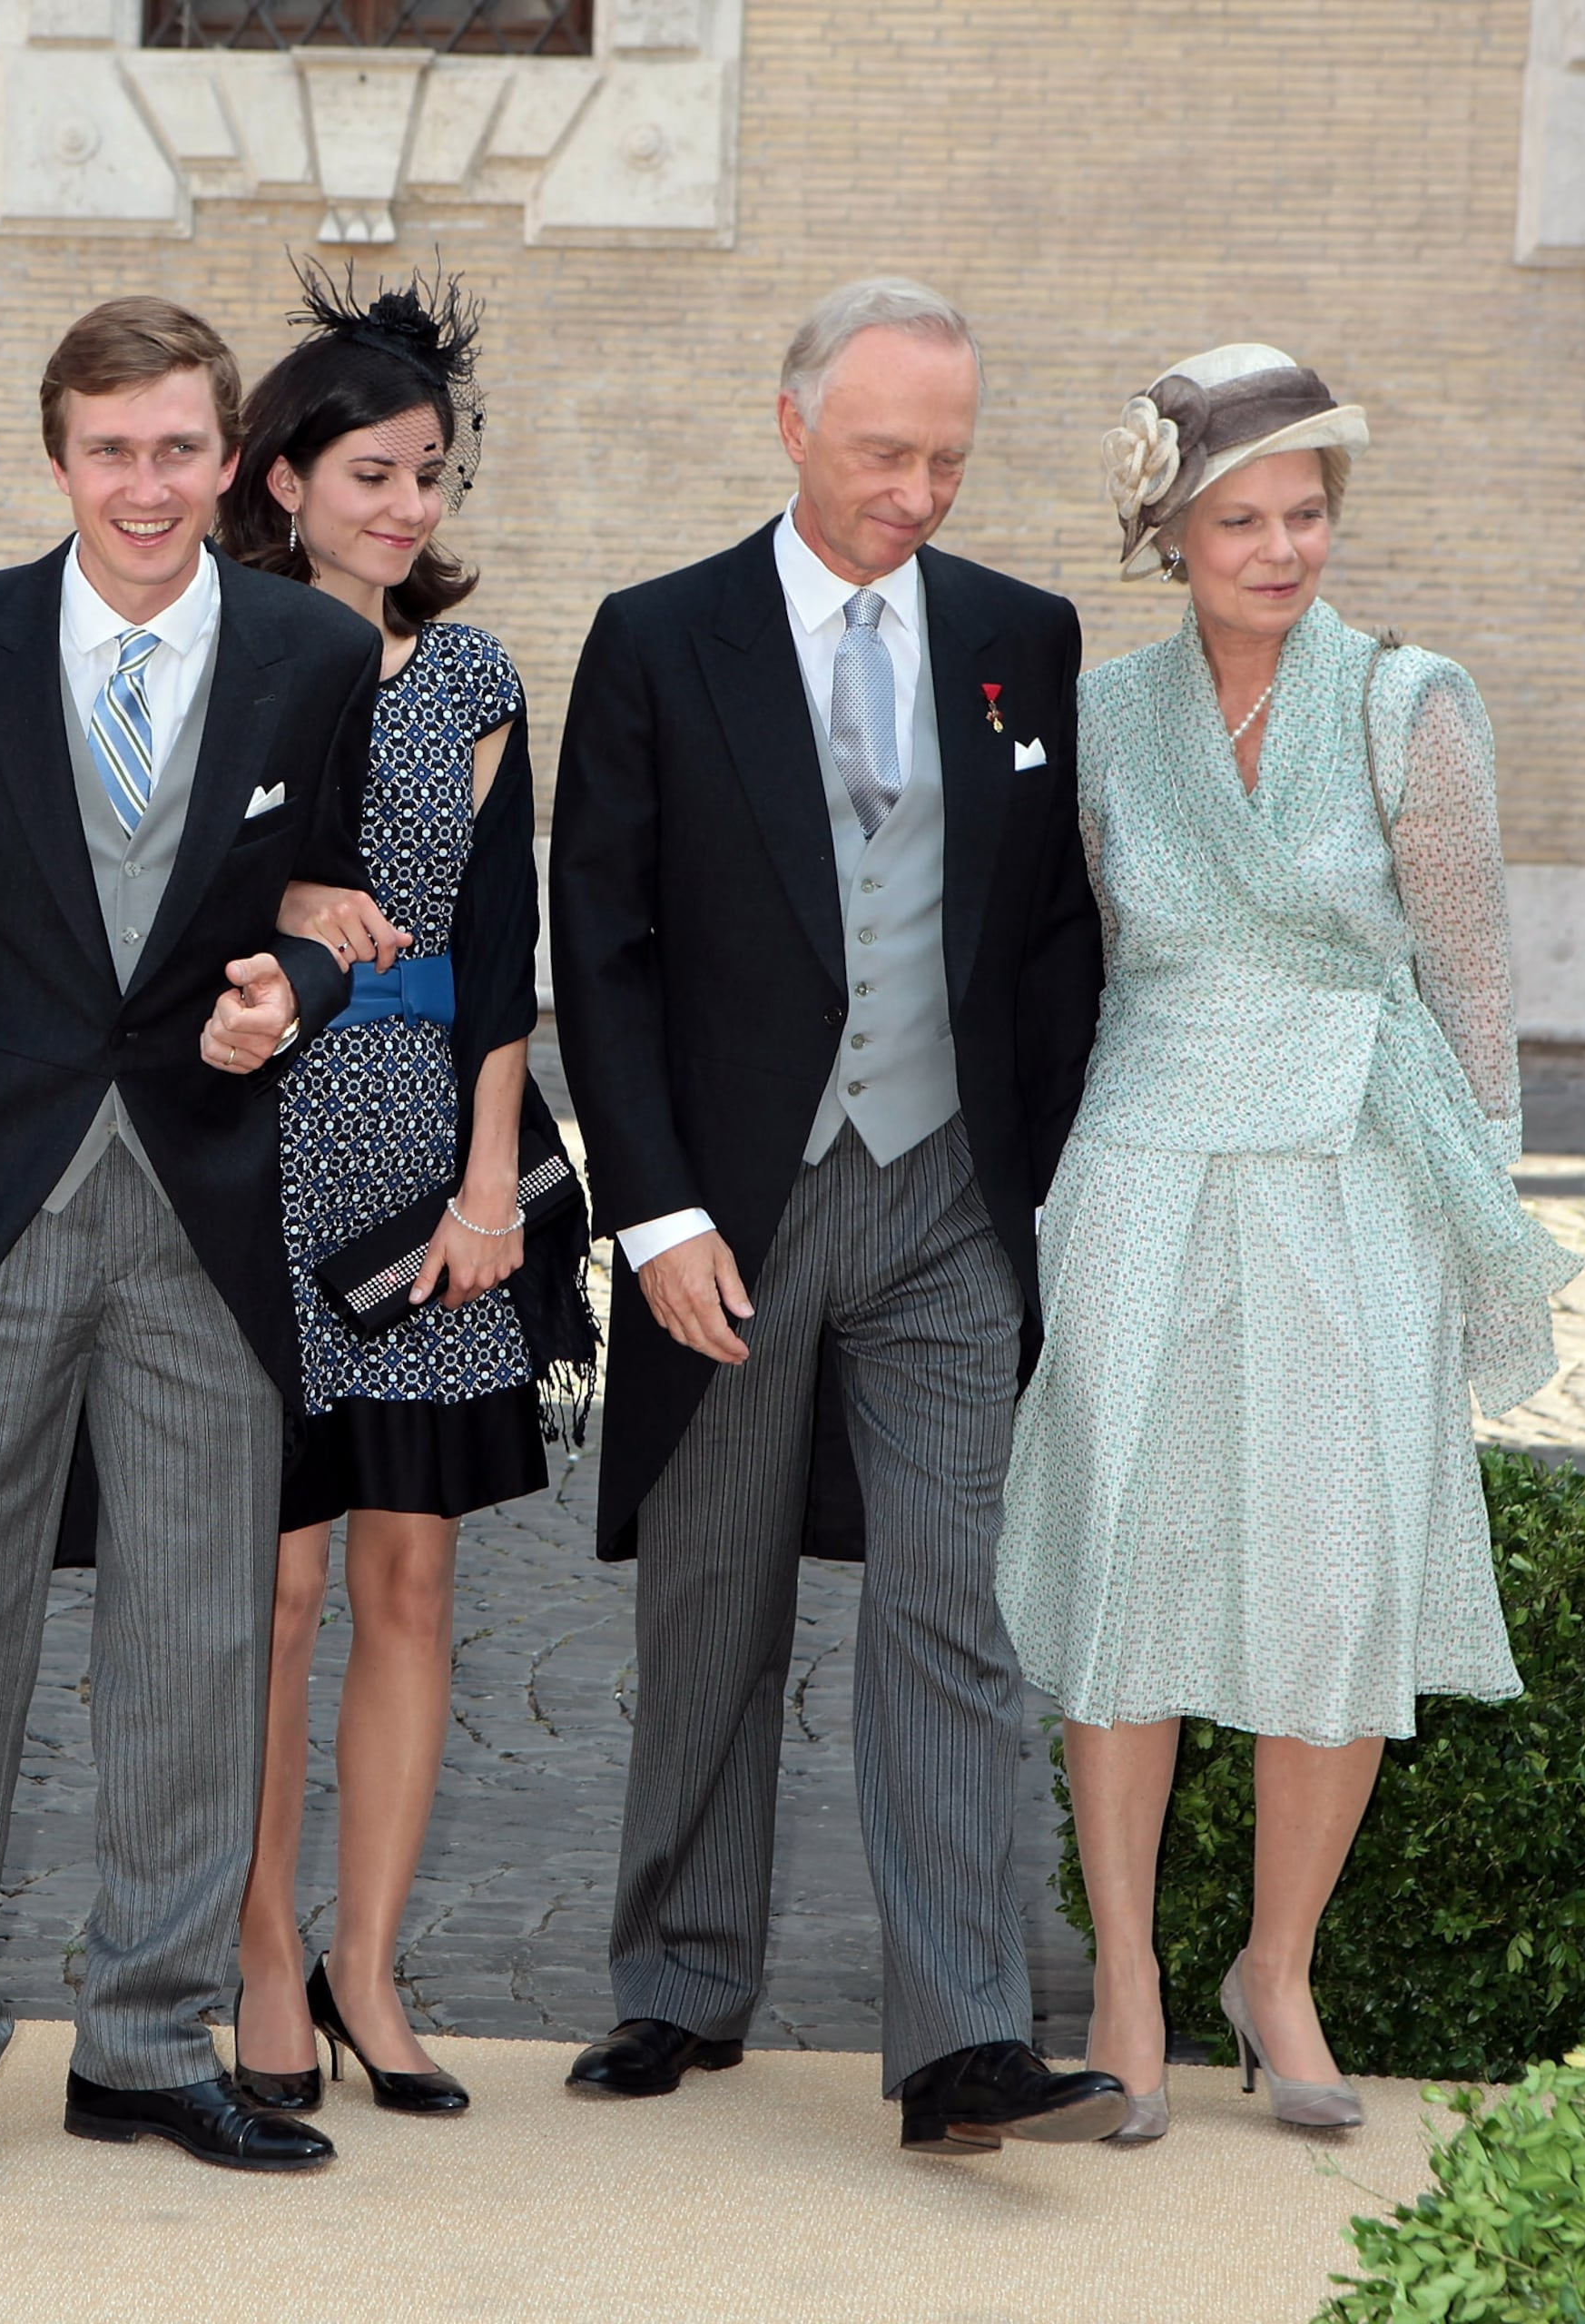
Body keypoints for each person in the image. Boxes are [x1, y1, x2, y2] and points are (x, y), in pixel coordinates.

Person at [0, 295, 404, 2192]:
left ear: (234, 463)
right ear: (59, 459)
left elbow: (344, 906)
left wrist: (286, 989)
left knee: (200, 1642)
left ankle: (147, 2038)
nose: (145, 485)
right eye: (108, 448)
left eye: (178, 448)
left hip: (207, 1209)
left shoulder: (315, 653)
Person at [547, 279, 1127, 2155]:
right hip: (732, 1203)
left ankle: (962, 2028)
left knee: (953, 1603)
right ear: (791, 423)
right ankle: (680, 1976)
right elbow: (606, 952)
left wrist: (1027, 1171)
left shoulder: (1019, 641)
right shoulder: (655, 639)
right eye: (888, 453)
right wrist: (653, 1214)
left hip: (947, 1197)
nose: (923, 491)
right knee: (713, 1602)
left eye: (950, 457)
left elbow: (1045, 930)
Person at [998, 347, 1582, 2142]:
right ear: (1169, 532)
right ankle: (1125, 1980)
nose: (1279, 547)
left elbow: (1473, 981)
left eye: (1305, 512)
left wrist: (1477, 1203)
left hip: (1351, 1172)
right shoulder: (1099, 719)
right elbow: (1075, 952)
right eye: (1240, 518)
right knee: (1127, 1569)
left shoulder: (1410, 702)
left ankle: (1280, 1967)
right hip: (1143, 1167)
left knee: (1329, 1577)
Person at [212, 269, 592, 2121]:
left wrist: (491, 1191)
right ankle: (261, 1947)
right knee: (275, 1592)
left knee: (414, 1575)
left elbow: (505, 941)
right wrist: (282, 909)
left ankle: (368, 1958)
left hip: (434, 1162)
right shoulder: (209, 646)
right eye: (373, 470)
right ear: (284, 476)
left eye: (430, 474)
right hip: (254, 1153)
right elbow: (156, 893)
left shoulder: (479, 679)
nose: (407, 506)